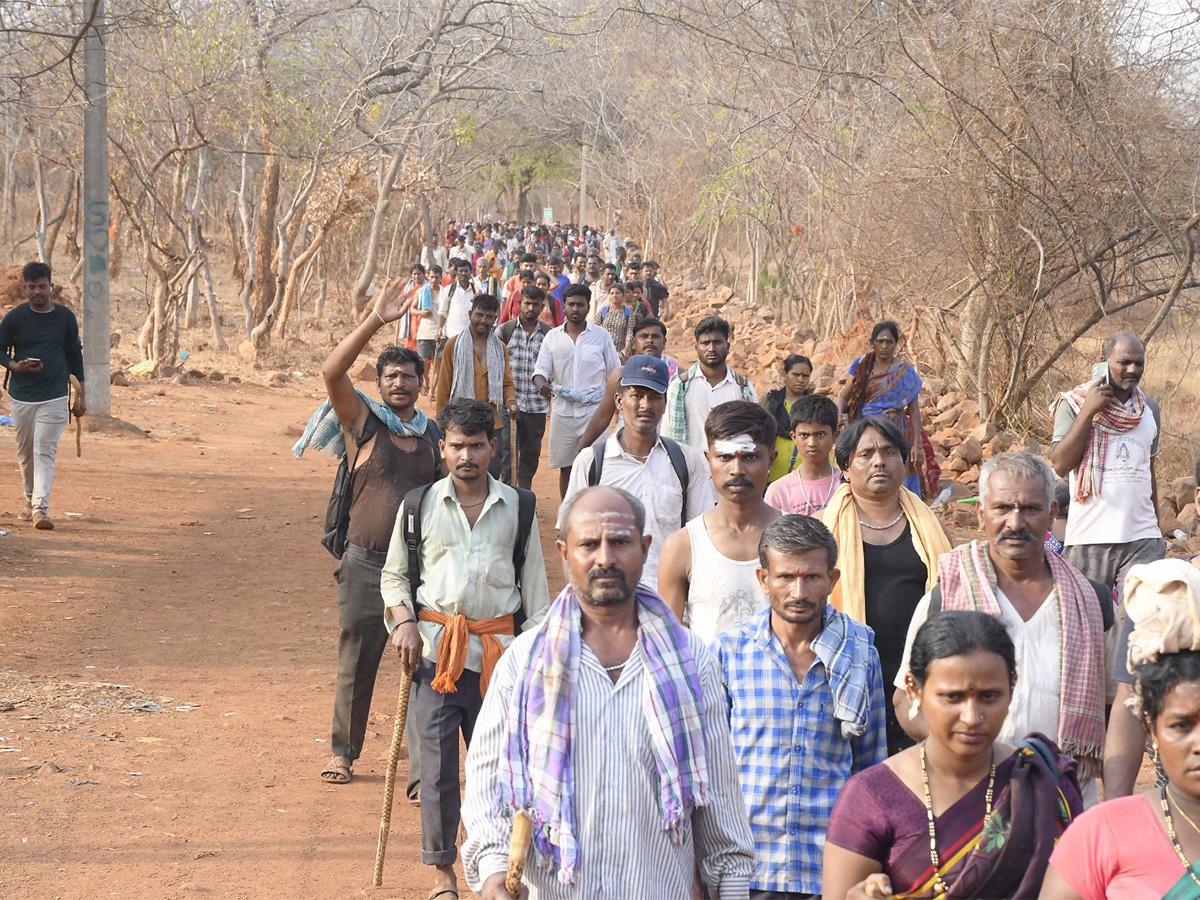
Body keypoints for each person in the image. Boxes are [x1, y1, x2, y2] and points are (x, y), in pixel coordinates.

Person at [460, 486, 755, 899]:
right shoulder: (524, 664)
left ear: (645, 547)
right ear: (564, 553)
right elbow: (489, 786)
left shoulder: (691, 663)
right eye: (588, 544)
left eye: (619, 542)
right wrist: (494, 872)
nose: (605, 558)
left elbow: (719, 804)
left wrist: (733, 887)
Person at [381, 398, 551, 900]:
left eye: (477, 445)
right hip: (436, 658)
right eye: (457, 446)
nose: (467, 455)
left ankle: (496, 868)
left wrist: (535, 659)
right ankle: (442, 874)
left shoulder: (519, 507)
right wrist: (405, 623)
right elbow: (395, 577)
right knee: (435, 773)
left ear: (493, 448)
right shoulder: (419, 506)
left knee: (498, 768)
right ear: (443, 449)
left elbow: (536, 594)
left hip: (501, 662)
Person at [293, 280, 442, 792]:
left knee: (426, 667)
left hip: (422, 572)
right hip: (365, 563)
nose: (400, 382)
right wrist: (375, 320)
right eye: (390, 375)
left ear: (423, 382)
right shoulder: (361, 424)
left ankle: (424, 774)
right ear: (378, 383)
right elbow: (331, 371)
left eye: (409, 375)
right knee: (357, 659)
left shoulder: (435, 437)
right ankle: (343, 752)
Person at [893, 452, 1109, 799]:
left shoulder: (1092, 604)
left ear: (1052, 513)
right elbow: (906, 698)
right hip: (964, 795)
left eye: (1030, 509)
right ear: (980, 512)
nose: (1016, 522)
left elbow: (1114, 714)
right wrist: (957, 750)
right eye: (1003, 508)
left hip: (1063, 803)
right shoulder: (945, 597)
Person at [824, 611, 1083, 900]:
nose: (972, 717)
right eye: (952, 697)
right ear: (914, 689)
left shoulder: (1043, 778)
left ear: (1012, 687)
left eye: (989, 696)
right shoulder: (870, 798)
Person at [712, 515, 887, 899]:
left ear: (832, 580)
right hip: (745, 868)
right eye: (785, 577)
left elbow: (870, 768)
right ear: (763, 580)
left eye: (811, 577)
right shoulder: (728, 653)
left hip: (829, 870)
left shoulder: (859, 654)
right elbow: (708, 768)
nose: (798, 591)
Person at [1040, 558, 1200, 899]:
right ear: (1152, 729)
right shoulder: (1103, 834)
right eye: (1182, 725)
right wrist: (1116, 816)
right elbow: (1128, 697)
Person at [1050, 331, 1166, 797]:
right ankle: (1079, 763)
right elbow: (1060, 462)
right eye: (1123, 363)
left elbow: (1149, 468)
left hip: (1142, 540)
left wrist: (1158, 520)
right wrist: (1091, 412)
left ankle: (1125, 777)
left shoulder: (1150, 408)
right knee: (1083, 649)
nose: (1132, 371)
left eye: (1138, 363)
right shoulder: (1075, 402)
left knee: (1137, 650)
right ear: (1104, 361)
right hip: (1089, 541)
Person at [822, 416, 952, 754]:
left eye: (889, 452)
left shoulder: (930, 528)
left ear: (904, 460)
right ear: (846, 468)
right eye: (866, 454)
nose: (879, 461)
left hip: (918, 680)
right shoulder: (823, 534)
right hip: (847, 680)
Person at [561, 355, 714, 592]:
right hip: (606, 599)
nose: (645, 405)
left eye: (655, 397)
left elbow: (700, 538)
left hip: (668, 601)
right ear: (619, 401)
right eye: (637, 395)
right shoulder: (591, 463)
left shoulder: (686, 462)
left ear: (665, 403)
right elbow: (570, 538)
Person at [659, 401, 780, 642]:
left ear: (771, 460)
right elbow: (668, 645)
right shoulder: (683, 546)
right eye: (724, 457)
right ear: (708, 459)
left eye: (750, 456)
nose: (737, 469)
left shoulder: (796, 540)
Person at [0, 261, 85, 530]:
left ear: (51, 285)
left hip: (54, 395)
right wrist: (15, 366)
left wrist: (82, 393)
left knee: (44, 450)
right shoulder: (14, 318)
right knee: (25, 453)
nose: (38, 291)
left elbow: (74, 353)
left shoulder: (64, 317)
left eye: (43, 286)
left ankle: (40, 508)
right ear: (24, 288)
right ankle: (28, 497)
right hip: (22, 396)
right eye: (32, 287)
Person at [533, 284, 622, 499]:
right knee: (566, 467)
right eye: (571, 304)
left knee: (596, 465)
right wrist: (541, 384)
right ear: (564, 307)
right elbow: (540, 371)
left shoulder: (601, 336)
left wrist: (616, 405)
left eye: (580, 304)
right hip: (563, 411)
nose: (575, 309)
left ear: (587, 307)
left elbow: (616, 372)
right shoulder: (552, 337)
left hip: (595, 412)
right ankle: (567, 516)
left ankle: (594, 514)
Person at [836, 320, 928, 496]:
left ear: (896, 344)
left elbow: (914, 410)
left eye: (889, 342)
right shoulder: (861, 365)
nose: (884, 346)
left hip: (896, 431)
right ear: (873, 343)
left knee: (896, 469)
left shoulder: (904, 371)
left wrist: (918, 445)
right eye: (880, 341)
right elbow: (845, 397)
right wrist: (839, 415)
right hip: (865, 429)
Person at [435, 293, 518, 478]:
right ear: (470, 313)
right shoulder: (453, 345)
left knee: (491, 472)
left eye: (489, 317)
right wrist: (442, 422)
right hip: (459, 421)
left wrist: (511, 401)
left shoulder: (500, 348)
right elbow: (444, 387)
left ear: (495, 319)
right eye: (479, 315)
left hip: (491, 421)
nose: (483, 320)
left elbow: (506, 383)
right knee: (460, 472)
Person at [573, 316, 678, 453]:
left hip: (664, 446)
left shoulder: (676, 373)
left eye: (655, 336)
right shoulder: (620, 374)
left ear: (664, 342)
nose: (649, 341)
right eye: (643, 336)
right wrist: (581, 447)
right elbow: (603, 415)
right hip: (626, 446)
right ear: (634, 342)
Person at [664, 316, 758, 454]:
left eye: (717, 342)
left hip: (731, 470)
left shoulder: (743, 388)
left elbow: (754, 434)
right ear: (696, 347)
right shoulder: (680, 387)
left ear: (728, 346)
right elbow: (669, 436)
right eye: (706, 343)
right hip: (690, 471)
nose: (712, 348)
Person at [498, 286, 551, 490]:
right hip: (509, 402)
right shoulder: (505, 330)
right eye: (527, 303)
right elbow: (495, 364)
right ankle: (508, 494)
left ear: (542, 306)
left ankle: (525, 494)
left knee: (531, 453)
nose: (531, 307)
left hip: (537, 405)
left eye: (535, 304)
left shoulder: (549, 334)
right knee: (508, 451)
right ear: (520, 304)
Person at [765, 395, 842, 518]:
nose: (812, 443)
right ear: (794, 437)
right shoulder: (779, 491)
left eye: (820, 434)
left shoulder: (846, 486)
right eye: (804, 435)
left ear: (835, 436)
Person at [763, 354, 814, 483]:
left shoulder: (815, 407)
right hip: (773, 473)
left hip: (805, 475)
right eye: (796, 375)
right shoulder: (770, 402)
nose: (801, 380)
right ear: (785, 375)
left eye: (805, 376)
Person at [411, 264, 439, 397]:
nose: (433, 280)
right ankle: (426, 381)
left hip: (440, 332)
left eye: (436, 277)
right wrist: (421, 313)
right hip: (424, 331)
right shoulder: (421, 291)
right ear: (428, 276)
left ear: (440, 278)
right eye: (431, 277)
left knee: (438, 363)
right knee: (423, 362)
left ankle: (433, 390)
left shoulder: (445, 292)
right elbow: (412, 309)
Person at [438, 259, 476, 344]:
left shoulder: (476, 291)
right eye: (461, 271)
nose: (463, 273)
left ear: (470, 273)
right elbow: (442, 312)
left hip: (471, 337)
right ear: (456, 273)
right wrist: (440, 329)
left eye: (466, 271)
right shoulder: (449, 289)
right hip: (452, 335)